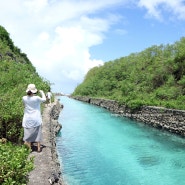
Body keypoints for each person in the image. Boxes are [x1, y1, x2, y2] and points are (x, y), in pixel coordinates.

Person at [22, 84, 46, 152]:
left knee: (28, 134)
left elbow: (25, 104)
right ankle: (39, 148)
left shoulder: (24, 98)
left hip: (27, 118)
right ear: (34, 91)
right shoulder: (37, 98)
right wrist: (42, 92)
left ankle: (29, 148)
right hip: (36, 118)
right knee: (38, 133)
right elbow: (44, 99)